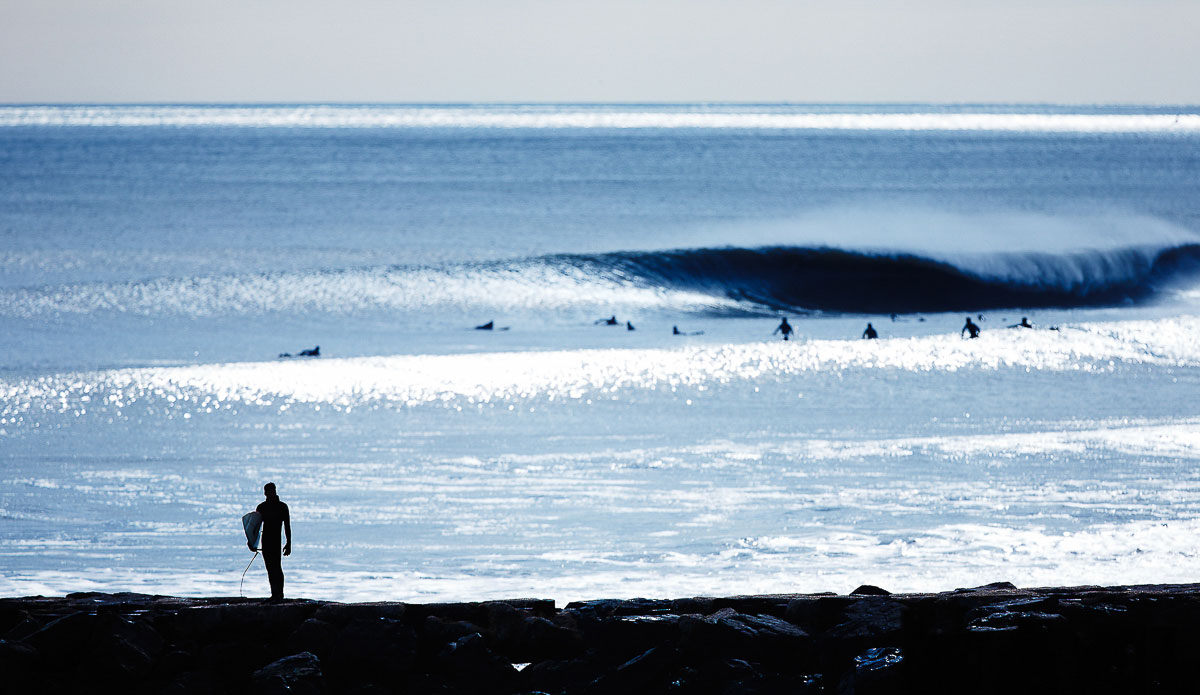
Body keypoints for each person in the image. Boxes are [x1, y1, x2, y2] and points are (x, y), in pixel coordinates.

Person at [256, 482, 291, 601]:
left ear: (275, 491)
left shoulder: (282, 507)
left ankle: (279, 594)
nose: (271, 493)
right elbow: (255, 527)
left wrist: (288, 543)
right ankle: (274, 594)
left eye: (272, 490)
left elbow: (287, 526)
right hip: (265, 541)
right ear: (265, 493)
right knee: (270, 568)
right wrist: (252, 544)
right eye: (269, 491)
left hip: (276, 541)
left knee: (277, 567)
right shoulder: (261, 507)